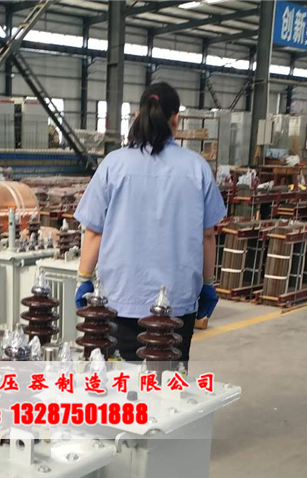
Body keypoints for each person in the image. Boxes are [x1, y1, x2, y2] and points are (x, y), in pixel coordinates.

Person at [74, 81, 226, 363]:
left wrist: (83, 279)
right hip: (177, 305)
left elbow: (94, 232)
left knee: (121, 381)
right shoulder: (197, 168)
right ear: (175, 119)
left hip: (120, 300)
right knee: (169, 384)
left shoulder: (113, 165)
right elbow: (208, 235)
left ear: (138, 115)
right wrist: (207, 283)